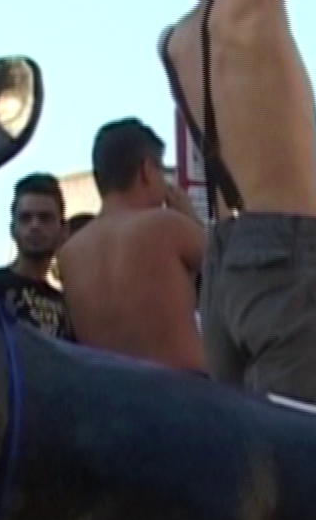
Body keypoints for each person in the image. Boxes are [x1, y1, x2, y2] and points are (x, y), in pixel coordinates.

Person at [160, 0, 316, 412]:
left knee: (244, 457)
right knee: (309, 450)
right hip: (289, 252)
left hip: (225, 263)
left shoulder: (173, 44)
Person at [53, 118, 208, 373]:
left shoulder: (70, 253)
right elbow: (230, 271)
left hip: (113, 394)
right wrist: (191, 218)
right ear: (147, 171)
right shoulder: (167, 226)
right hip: (184, 391)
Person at [0, 173, 74, 340]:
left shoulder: (69, 308)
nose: (35, 226)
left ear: (63, 231)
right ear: (12, 229)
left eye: (45, 218)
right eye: (25, 218)